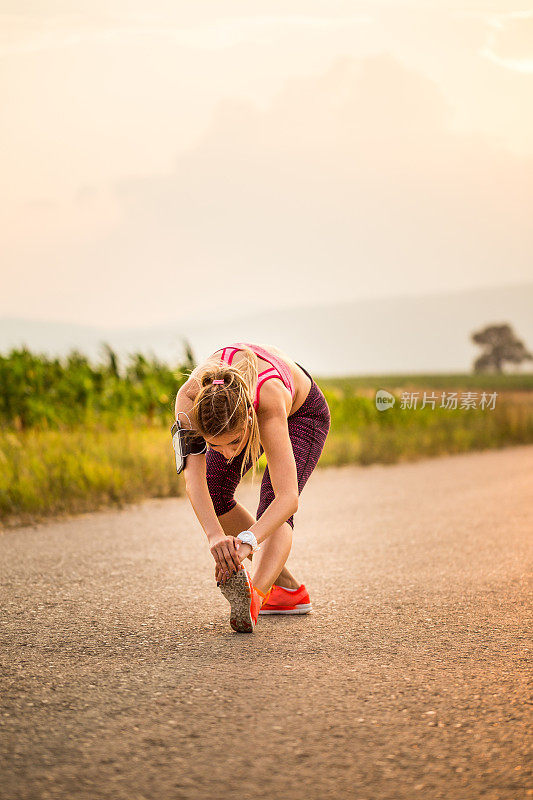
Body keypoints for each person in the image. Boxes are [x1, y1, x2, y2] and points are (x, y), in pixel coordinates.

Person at [173, 341, 331, 633]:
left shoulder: (267, 400)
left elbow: (287, 499)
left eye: (234, 442)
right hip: (242, 409)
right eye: (213, 445)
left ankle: (255, 597)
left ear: (249, 416)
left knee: (271, 503)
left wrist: (246, 542)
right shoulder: (188, 403)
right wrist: (214, 537)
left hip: (301, 411)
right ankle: (287, 592)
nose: (228, 454)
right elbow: (194, 479)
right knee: (215, 485)